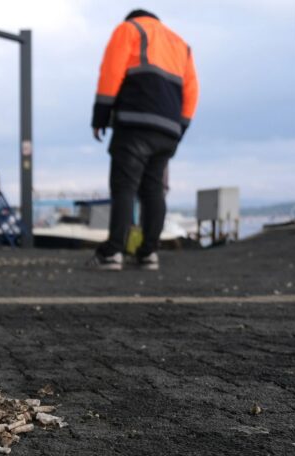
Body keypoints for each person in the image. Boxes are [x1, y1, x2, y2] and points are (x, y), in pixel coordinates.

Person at [90, 9, 199, 271]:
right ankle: (148, 253)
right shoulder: (180, 44)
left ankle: (113, 252)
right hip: (168, 130)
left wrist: (100, 117)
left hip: (135, 122)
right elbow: (192, 92)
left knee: (124, 186)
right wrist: (179, 128)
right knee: (153, 190)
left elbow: (111, 72)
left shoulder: (129, 29)